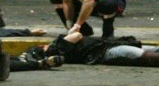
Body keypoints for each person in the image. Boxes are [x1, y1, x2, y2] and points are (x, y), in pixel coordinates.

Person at [27, 32, 159, 68]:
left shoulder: (56, 51)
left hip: (106, 48)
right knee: (146, 55)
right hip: (106, 52)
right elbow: (77, 35)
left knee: (149, 51)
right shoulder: (54, 48)